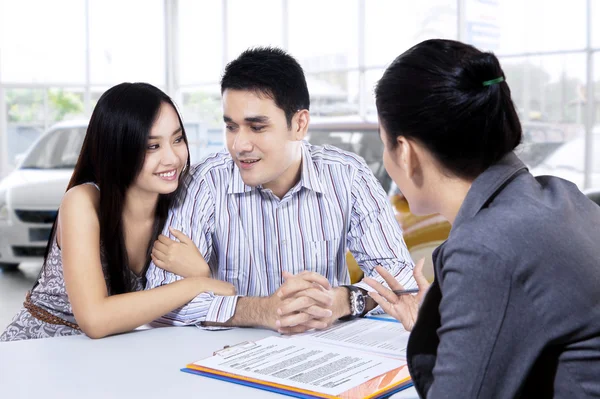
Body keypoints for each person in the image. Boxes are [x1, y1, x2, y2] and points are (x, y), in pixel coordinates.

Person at [364, 39, 600, 398]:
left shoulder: (486, 248)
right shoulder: (562, 196)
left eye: (385, 142)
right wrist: (449, 327)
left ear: (407, 153)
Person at [146, 47, 417, 333]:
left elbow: (400, 275)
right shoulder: (205, 184)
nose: (239, 145)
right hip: (224, 358)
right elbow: (159, 300)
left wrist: (342, 300)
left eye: (257, 127)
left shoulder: (348, 176)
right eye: (231, 127)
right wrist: (263, 310)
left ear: (299, 124)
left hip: (326, 353)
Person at [0, 83, 234, 342]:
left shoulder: (177, 202)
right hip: (38, 348)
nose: (172, 158)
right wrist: (195, 283)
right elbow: (95, 320)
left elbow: (216, 292)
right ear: (118, 150)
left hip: (108, 353)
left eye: (177, 139)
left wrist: (201, 272)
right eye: (152, 146)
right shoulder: (83, 202)